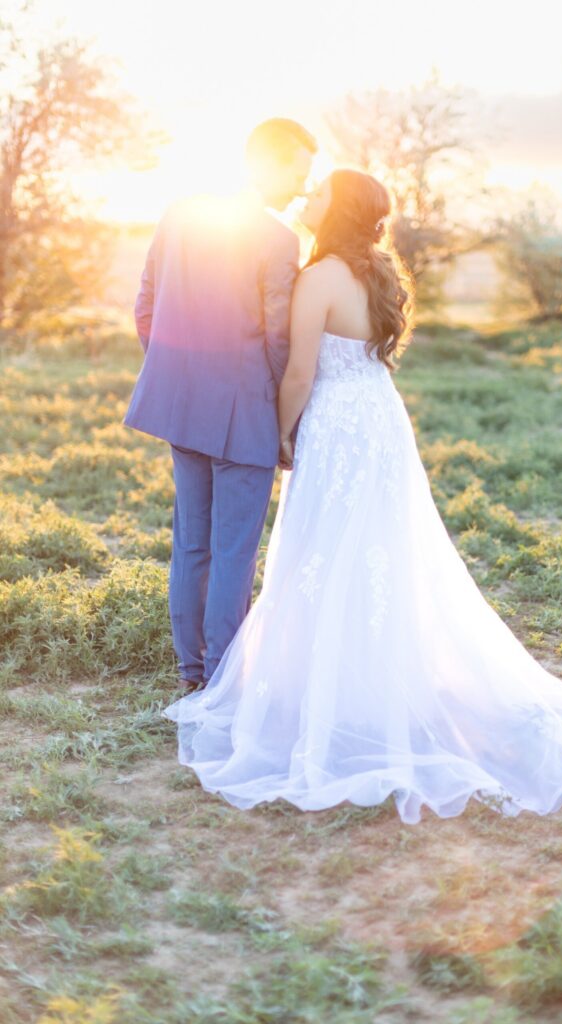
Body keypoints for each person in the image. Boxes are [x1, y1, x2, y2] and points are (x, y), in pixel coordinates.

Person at [162, 168, 562, 825]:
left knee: (326, 544)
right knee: (378, 545)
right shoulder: (382, 274)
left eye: (319, 193)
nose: (307, 198)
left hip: (338, 423)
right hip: (380, 420)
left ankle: (336, 689)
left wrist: (280, 433)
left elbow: (301, 371)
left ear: (337, 208)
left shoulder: (319, 278)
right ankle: (371, 677)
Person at [124, 119, 317, 692]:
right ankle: (223, 679)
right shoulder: (278, 241)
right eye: (299, 173)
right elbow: (281, 341)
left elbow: (145, 307)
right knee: (234, 550)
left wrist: (180, 376)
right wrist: (287, 420)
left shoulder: (179, 216)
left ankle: (192, 673)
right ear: (271, 161)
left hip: (182, 406)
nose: (302, 189)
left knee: (192, 541)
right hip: (246, 413)